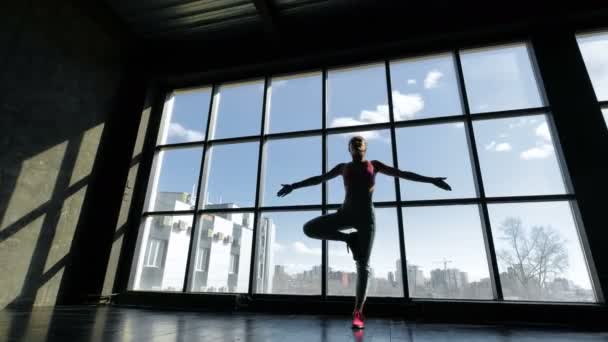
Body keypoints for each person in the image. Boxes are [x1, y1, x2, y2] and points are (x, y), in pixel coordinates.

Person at [277, 135, 451, 329]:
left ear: (365, 147)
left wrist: (431, 180)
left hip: (366, 219)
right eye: (353, 142)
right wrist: (293, 186)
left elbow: (403, 173)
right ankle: (349, 238)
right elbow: (318, 179)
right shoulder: (342, 167)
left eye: (360, 142)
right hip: (346, 213)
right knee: (309, 228)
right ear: (349, 149)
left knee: (363, 266)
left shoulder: (374, 165)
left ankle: (358, 311)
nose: (357, 144)